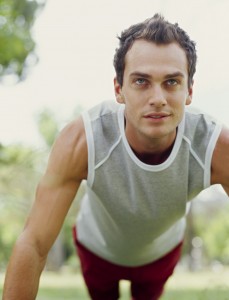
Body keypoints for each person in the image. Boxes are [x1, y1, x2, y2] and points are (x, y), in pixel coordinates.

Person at [3, 13, 229, 300]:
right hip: (97, 247)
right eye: (141, 81)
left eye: (171, 82)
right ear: (119, 89)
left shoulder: (215, 146)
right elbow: (33, 243)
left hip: (161, 251)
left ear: (189, 91)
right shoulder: (83, 139)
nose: (157, 97)